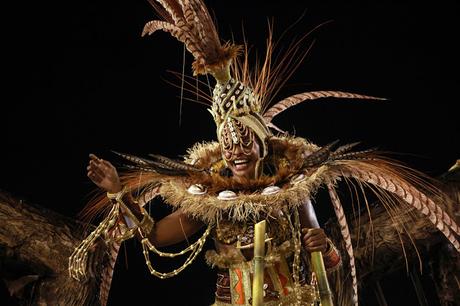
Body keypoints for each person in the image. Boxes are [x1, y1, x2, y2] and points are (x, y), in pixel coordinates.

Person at [69, 1, 460, 305]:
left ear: (261, 140)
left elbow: (322, 249)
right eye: (228, 142)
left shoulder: (291, 190)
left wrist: (326, 247)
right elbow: (154, 234)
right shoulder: (209, 198)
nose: (236, 151)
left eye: (245, 140)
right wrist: (118, 191)